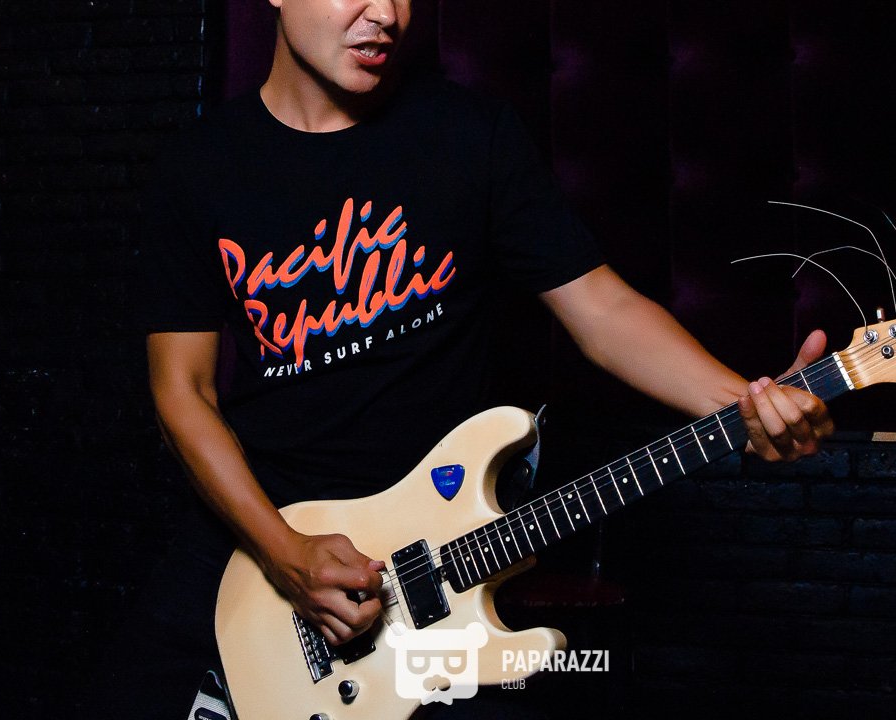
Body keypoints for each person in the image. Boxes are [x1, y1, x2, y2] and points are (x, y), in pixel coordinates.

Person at [101, 0, 834, 717]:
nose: (386, 14)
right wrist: (283, 552)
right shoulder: (199, 167)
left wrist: (749, 404)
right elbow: (182, 392)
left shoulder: (469, 135)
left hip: (435, 560)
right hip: (253, 542)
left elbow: (602, 312)